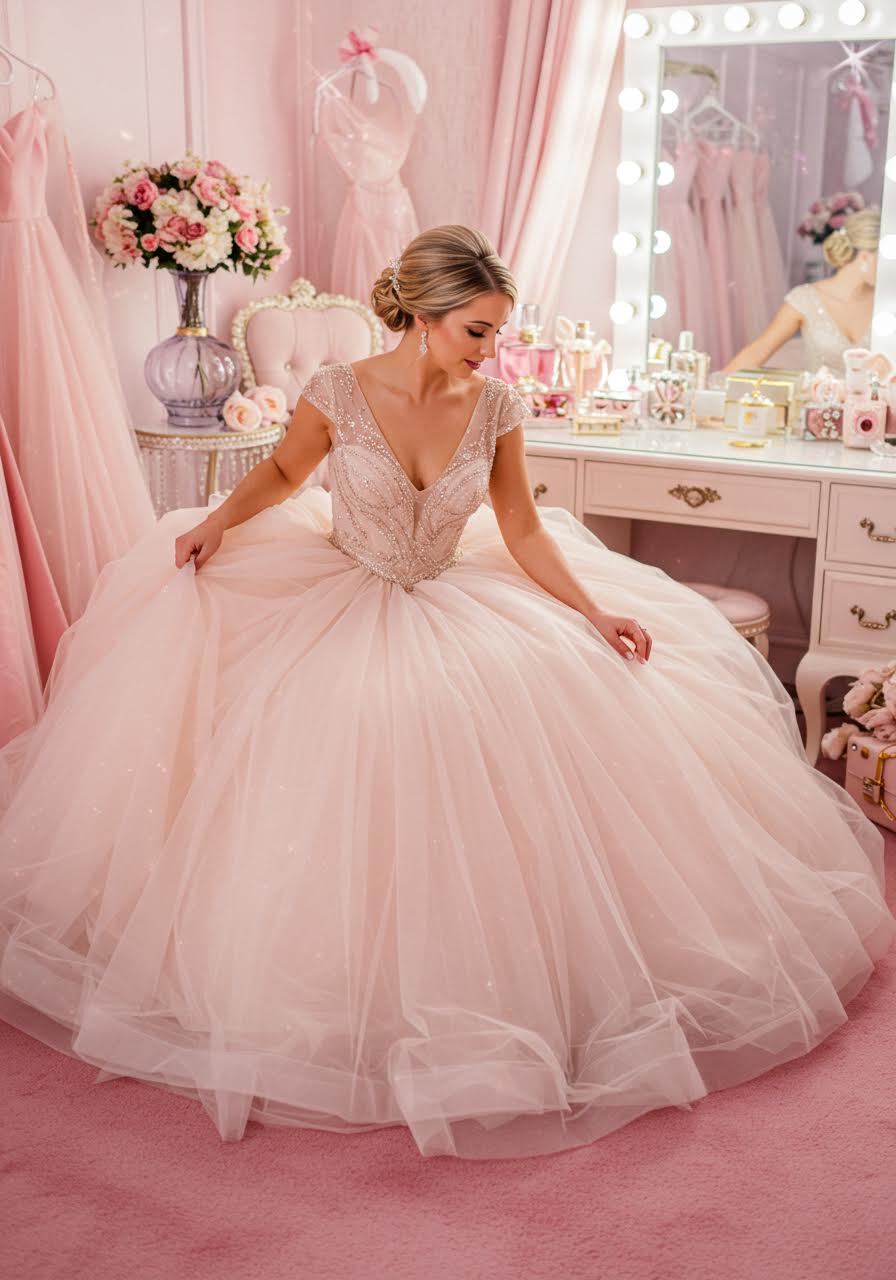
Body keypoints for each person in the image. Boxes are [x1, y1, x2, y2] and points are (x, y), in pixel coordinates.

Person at [0, 225, 893, 1161]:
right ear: (422, 318)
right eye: (476, 329)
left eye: (496, 331)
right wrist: (218, 524)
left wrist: (593, 614)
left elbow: (523, 528)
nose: (490, 348)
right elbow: (279, 472)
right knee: (349, 732)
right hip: (337, 592)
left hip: (459, 592)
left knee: (558, 708)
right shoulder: (338, 392)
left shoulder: (496, 404)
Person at [723, 207, 891, 378]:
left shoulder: (887, 305)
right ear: (865, 257)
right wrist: (713, 390)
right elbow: (757, 352)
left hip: (876, 404)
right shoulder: (805, 300)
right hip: (817, 403)